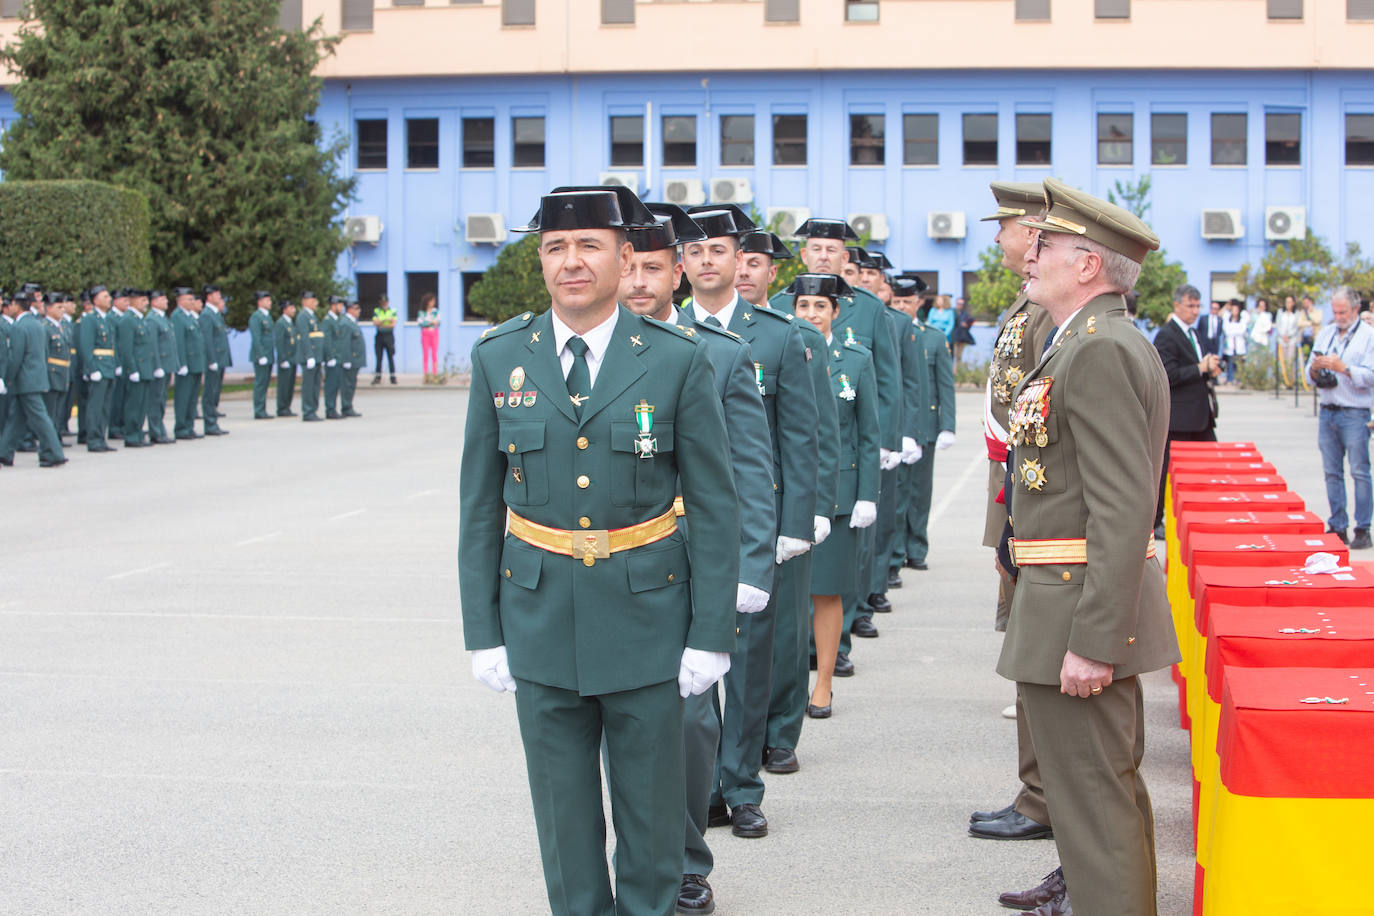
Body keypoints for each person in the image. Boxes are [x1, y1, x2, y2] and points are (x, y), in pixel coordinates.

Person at [459, 186, 739, 916]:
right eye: (555, 247)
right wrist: (481, 630)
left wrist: (711, 634)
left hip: (648, 616)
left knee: (650, 823)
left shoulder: (677, 360)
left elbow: (714, 505)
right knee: (563, 818)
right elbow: (479, 505)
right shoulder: (499, 357)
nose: (571, 262)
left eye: (589, 246)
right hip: (539, 614)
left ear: (625, 258)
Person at [998, 176, 1180, 916]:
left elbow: (1122, 506)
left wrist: (1097, 640)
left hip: (1080, 608)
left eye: (1048, 244)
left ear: (1089, 264)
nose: (1030, 253)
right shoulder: (1082, 340)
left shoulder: (1100, 349)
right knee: (1086, 798)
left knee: (1097, 802)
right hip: (1061, 600)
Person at [618, 199, 776, 914]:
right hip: (602, 572)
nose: (640, 282)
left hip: (684, 563)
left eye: (654, 267)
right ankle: (631, 858)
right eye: (630, 267)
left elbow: (749, 471)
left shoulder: (718, 356)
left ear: (678, 274)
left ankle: (685, 860)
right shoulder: (575, 357)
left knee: (686, 722)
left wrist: (746, 570)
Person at [677, 202, 811, 850]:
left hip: (747, 534)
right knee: (691, 680)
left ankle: (742, 787)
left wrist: (787, 528)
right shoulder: (660, 332)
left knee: (748, 668)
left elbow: (789, 441)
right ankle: (701, 789)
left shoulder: (779, 335)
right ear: (682, 264)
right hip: (680, 537)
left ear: (741, 262)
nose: (707, 260)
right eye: (695, 251)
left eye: (719, 250)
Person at [966, 180, 1059, 847]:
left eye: (1005, 227)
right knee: (1024, 641)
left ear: (1032, 231)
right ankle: (1035, 790)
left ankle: (1042, 795)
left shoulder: (1052, 311)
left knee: (1036, 646)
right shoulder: (1028, 306)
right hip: (1015, 483)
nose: (998, 238)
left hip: (1032, 489)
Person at [733, 228, 842, 771]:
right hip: (719, 505)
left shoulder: (796, 335)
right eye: (741, 261)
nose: (746, 271)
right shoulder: (687, 330)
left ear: (772, 272)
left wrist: (812, 509)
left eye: (756, 263)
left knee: (780, 632)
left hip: (779, 505)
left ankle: (780, 729)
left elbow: (815, 432)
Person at [788, 273, 878, 720]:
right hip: (788, 491)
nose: (810, 314)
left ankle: (822, 683)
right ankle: (787, 687)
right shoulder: (781, 351)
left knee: (825, 592)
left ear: (835, 313)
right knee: (788, 598)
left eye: (819, 307)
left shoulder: (856, 360)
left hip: (839, 495)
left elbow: (867, 433)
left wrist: (867, 495)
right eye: (803, 306)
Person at [1151, 282, 1221, 537]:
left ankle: (1204, 513)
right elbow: (1167, 374)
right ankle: (1156, 520)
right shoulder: (1167, 335)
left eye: (1198, 306)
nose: (1195, 311)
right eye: (1190, 306)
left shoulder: (1195, 333)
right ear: (1177, 305)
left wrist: (1210, 368)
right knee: (1166, 471)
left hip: (1201, 416)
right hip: (1179, 418)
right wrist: (1199, 369)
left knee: (1210, 468)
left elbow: (1198, 365)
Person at [1306, 287, 1374, 549]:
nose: (1338, 316)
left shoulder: (1368, 336)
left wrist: (1343, 369)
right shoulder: (1327, 332)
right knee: (1331, 473)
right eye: (1334, 312)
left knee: (1359, 471)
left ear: (1356, 309)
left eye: (1343, 312)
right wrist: (1315, 368)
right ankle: (1337, 524)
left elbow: (1371, 375)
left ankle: (1363, 528)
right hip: (1328, 411)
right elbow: (1308, 374)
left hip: (1355, 412)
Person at [0, 288, 66, 467]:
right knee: (16, 418)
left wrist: (7, 379)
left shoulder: (19, 327)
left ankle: (54, 453)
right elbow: (43, 353)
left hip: (25, 381)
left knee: (40, 418)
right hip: (36, 378)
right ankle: (4, 452)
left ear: (16, 305)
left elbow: (16, 358)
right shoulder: (38, 324)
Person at [78, 286, 117, 452]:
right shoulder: (90, 319)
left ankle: (101, 437)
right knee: (95, 405)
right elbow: (86, 346)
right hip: (98, 367)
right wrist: (91, 368)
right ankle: (93, 439)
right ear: (95, 300)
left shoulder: (107, 319)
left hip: (108, 366)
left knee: (105, 406)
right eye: (105, 296)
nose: (109, 299)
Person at [171, 287, 206, 440]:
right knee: (183, 397)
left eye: (193, 299)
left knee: (192, 397)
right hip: (187, 364)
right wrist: (181, 363)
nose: (192, 302)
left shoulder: (191, 316)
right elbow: (179, 342)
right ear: (179, 300)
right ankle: (181, 427)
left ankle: (189, 426)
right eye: (189, 299)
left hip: (196, 363)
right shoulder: (177, 317)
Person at [146, 290, 177, 444]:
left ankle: (160, 428)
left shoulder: (163, 319)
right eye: (162, 298)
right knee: (155, 400)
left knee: (162, 399)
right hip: (159, 366)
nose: (166, 301)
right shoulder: (152, 320)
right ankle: (156, 431)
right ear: (154, 302)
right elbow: (153, 345)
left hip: (166, 365)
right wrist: (156, 366)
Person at [199, 286, 230, 436]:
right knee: (210, 392)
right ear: (209, 297)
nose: (219, 296)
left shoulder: (215, 314)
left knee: (215, 391)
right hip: (214, 359)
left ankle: (213, 422)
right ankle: (210, 424)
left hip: (219, 358)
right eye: (216, 294)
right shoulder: (206, 315)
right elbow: (207, 339)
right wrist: (211, 359)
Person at [295, 291, 325, 422]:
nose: (315, 303)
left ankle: (313, 409)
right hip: (310, 357)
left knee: (316, 385)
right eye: (312, 300)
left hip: (316, 356)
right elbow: (304, 337)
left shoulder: (311, 316)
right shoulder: (303, 316)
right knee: (308, 385)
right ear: (304, 301)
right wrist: (309, 355)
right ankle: (308, 411)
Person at [248, 290, 276, 419]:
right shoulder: (256, 317)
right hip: (261, 356)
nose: (270, 303)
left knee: (265, 383)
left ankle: (262, 409)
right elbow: (256, 337)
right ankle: (259, 410)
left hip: (268, 355)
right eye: (267, 300)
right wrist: (260, 355)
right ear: (260, 302)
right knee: (260, 383)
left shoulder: (267, 316)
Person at [275, 299, 299, 417]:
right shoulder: (281, 323)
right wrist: (282, 358)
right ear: (285, 310)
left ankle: (287, 407)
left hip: (292, 359)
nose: (293, 310)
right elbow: (279, 342)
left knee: (290, 385)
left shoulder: (290, 323)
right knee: (284, 385)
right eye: (291, 308)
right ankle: (282, 407)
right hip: (286, 359)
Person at [341, 301, 365, 418]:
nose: (358, 311)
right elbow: (345, 343)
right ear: (349, 309)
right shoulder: (346, 323)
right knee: (348, 384)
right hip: (350, 359)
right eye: (356, 308)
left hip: (355, 359)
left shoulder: (351, 322)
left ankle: (348, 405)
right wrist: (346, 359)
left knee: (351, 383)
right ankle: (346, 406)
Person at [323, 295, 345, 419]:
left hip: (337, 357)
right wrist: (330, 356)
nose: (342, 308)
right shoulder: (328, 320)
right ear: (333, 305)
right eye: (340, 305)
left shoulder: (336, 320)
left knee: (336, 384)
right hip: (332, 358)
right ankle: (330, 409)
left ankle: (333, 408)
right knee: (331, 385)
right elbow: (327, 340)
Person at [1221, 299, 1249, 384]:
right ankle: (1230, 379)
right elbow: (1226, 330)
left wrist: (1233, 330)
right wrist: (1235, 330)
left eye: (1236, 310)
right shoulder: (1227, 318)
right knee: (1230, 363)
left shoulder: (1243, 318)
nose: (1235, 312)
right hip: (1230, 345)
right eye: (1233, 310)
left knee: (1239, 364)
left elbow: (1242, 330)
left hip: (1239, 345)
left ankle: (1239, 380)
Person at [371, 294, 397, 385]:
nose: (384, 304)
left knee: (391, 357)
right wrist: (386, 321)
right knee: (379, 357)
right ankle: (378, 377)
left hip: (389, 336)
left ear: (388, 302)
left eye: (385, 302)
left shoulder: (392, 311)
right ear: (380, 303)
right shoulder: (377, 311)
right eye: (382, 302)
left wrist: (381, 323)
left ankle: (393, 377)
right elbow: (375, 322)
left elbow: (393, 324)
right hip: (379, 336)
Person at [418, 292, 440, 376]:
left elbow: (437, 322)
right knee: (426, 354)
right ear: (427, 301)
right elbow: (421, 323)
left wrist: (429, 322)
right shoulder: (422, 312)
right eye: (431, 301)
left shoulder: (435, 311)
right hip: (425, 333)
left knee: (434, 353)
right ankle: (426, 373)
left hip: (434, 333)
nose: (433, 303)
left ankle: (434, 373)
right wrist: (431, 322)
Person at [952, 297, 977, 364]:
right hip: (954, 336)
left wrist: (967, 325)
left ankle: (958, 371)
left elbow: (972, 320)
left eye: (962, 304)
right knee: (953, 354)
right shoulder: (952, 312)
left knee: (959, 356)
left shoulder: (965, 313)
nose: (960, 305)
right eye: (959, 304)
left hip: (962, 337)